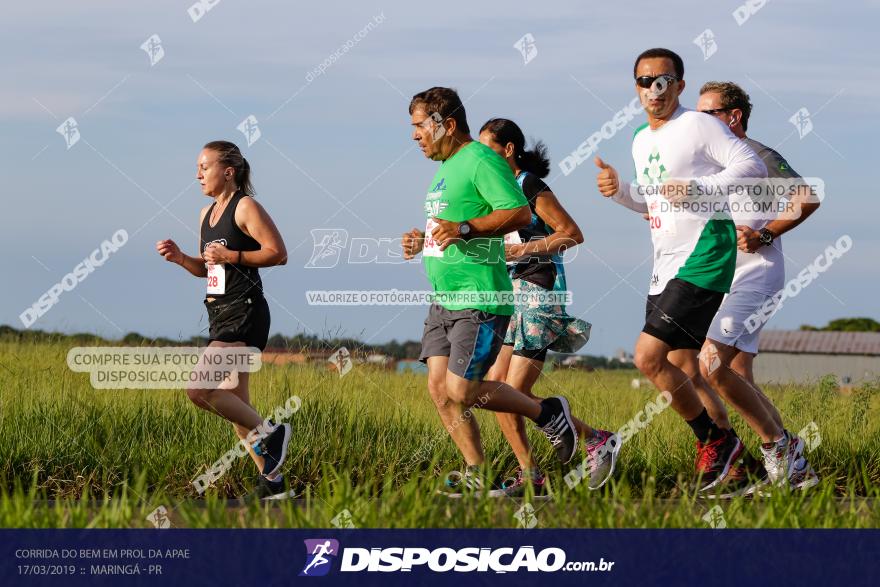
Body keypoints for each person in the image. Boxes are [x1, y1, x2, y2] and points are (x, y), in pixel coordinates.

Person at [594, 48, 767, 492]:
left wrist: (700, 186)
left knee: (646, 357)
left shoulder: (698, 124)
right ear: (635, 87)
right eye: (644, 80)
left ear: (679, 85)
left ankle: (718, 443)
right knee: (677, 366)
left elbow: (751, 164)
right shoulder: (639, 140)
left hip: (706, 250)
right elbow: (652, 201)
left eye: (662, 79)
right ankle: (741, 467)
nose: (653, 88)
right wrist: (619, 192)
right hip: (665, 261)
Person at [401, 87, 586, 496]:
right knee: (439, 390)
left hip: (480, 296)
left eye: (418, 126)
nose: (414, 136)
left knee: (462, 390)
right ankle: (478, 473)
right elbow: (450, 231)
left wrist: (465, 228)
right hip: (444, 296)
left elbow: (519, 212)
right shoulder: (446, 168)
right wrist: (424, 242)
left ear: (446, 125)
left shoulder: (481, 159)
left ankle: (548, 413)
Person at [478, 118, 618, 494]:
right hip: (508, 296)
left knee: (516, 392)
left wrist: (521, 250)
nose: (480, 158)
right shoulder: (497, 193)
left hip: (540, 293)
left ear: (508, 150)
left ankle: (596, 439)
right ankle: (531, 475)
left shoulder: (528, 185)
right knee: (493, 390)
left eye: (487, 149)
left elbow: (572, 234)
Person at [696, 81, 821, 492]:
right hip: (722, 278)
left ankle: (776, 448)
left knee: (710, 364)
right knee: (735, 373)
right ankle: (790, 464)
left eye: (707, 113)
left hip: (757, 275)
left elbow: (808, 196)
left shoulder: (759, 155)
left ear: (733, 116)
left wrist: (765, 233)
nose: (698, 122)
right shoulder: (714, 166)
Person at [156, 140, 291, 500]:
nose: (198, 173)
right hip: (218, 312)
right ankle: (273, 485)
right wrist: (182, 258)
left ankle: (272, 434)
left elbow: (278, 254)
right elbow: (209, 269)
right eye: (198, 167)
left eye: (205, 166)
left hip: (244, 311)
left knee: (199, 390)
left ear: (228, 171)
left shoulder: (245, 207)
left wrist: (231, 253)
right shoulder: (205, 215)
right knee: (236, 406)